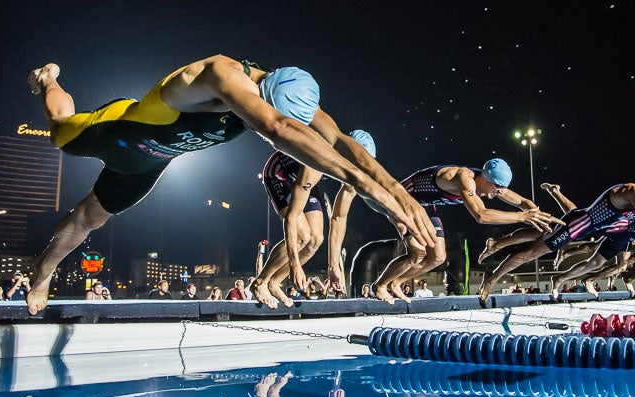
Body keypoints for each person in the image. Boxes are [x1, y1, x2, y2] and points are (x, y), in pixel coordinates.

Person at [24, 58, 438, 315]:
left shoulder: (287, 95)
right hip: (118, 131)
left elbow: (342, 141)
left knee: (87, 219)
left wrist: (393, 192)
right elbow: (276, 128)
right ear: (262, 91)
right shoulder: (217, 73)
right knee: (59, 130)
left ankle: (43, 269)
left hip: (147, 164)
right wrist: (362, 184)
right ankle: (48, 79)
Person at [373, 159, 562, 303]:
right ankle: (380, 286)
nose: (498, 193)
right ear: (486, 179)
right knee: (417, 253)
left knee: (437, 257)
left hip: (426, 206)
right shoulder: (464, 178)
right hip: (401, 201)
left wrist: (535, 212)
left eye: (501, 189)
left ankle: (396, 282)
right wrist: (522, 217)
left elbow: (522, 202)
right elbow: (481, 215)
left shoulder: (490, 183)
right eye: (497, 188)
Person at [478, 183, 635, 302]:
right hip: (581, 224)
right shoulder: (634, 193)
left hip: (601, 227)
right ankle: (492, 278)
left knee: (544, 232)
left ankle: (496, 244)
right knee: (533, 251)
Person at [253, 129, 377, 308]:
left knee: (316, 239)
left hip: (305, 180)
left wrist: (333, 266)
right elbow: (292, 217)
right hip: (281, 174)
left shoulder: (354, 175)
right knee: (303, 235)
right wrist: (295, 266)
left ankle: (274, 282)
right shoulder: (320, 159)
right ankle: (260, 282)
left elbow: (339, 218)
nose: (361, 168)